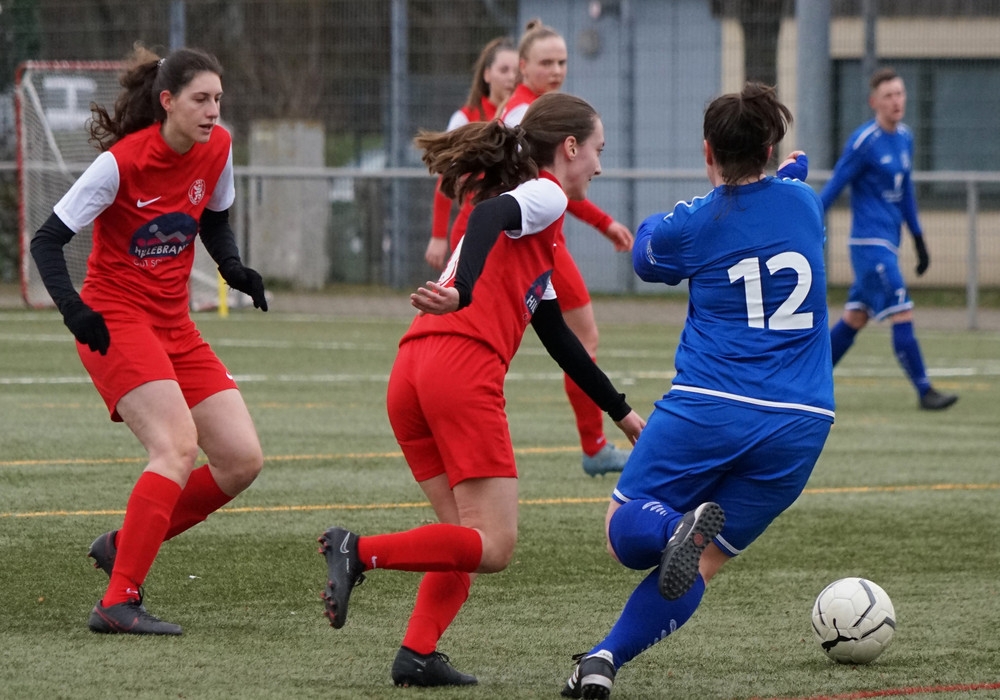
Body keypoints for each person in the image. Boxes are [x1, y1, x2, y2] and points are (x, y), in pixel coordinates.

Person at [318, 92, 645, 688]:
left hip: (413, 370)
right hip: (460, 371)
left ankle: (417, 654)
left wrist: (620, 412)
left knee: (462, 540)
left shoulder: (541, 234)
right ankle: (357, 551)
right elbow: (490, 216)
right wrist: (465, 291)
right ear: (570, 147)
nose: (600, 165)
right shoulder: (546, 194)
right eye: (599, 149)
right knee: (494, 546)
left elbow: (560, 339)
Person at [560, 83, 834, 699]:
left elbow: (646, 258)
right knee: (702, 562)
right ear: (770, 149)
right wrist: (783, 175)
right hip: (802, 421)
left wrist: (667, 218)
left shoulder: (694, 223)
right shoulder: (804, 203)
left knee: (622, 530)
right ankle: (603, 659)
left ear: (707, 150)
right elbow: (781, 190)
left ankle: (669, 530)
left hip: (711, 404)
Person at [29, 44, 267, 636]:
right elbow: (46, 240)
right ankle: (118, 601)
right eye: (200, 99)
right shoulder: (121, 163)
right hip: (116, 319)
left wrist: (233, 268)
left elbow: (214, 219)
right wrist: (73, 309)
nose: (213, 111)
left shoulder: (219, 147)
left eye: (218, 99)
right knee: (176, 448)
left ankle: (125, 543)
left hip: (174, 324)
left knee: (241, 460)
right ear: (167, 101)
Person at [502, 18, 635, 478]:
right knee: (578, 339)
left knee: (573, 337)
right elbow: (547, 190)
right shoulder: (525, 116)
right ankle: (594, 446)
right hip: (542, 245)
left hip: (543, 240)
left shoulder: (535, 111)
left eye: (562, 61)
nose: (557, 70)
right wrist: (604, 222)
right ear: (523, 66)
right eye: (546, 62)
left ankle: (595, 443)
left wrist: (603, 223)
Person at [821, 67, 957, 410]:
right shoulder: (864, 142)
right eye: (888, 96)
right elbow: (834, 186)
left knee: (855, 317)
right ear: (874, 102)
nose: (896, 101)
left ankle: (808, 377)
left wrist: (919, 239)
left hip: (889, 244)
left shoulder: (905, 137)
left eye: (900, 93)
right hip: (869, 246)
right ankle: (925, 391)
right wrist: (806, 221)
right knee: (902, 310)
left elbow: (906, 192)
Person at [423, 36, 518, 271]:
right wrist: (438, 235)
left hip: (511, 230)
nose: (511, 77)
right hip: (474, 225)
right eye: (504, 70)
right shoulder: (466, 118)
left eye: (516, 71)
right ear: (487, 75)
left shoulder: (522, 116)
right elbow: (446, 177)